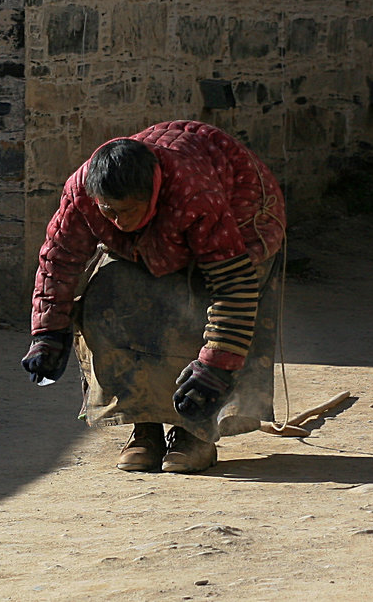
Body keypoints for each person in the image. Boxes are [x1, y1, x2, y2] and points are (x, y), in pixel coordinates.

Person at [21, 120, 286, 473]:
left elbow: (232, 287)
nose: (117, 222)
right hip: (154, 237)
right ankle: (144, 427)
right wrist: (48, 334)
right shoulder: (81, 194)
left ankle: (194, 433)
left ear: (153, 194)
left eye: (128, 211)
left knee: (192, 313)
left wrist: (215, 368)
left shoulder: (194, 194)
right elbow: (59, 261)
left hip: (240, 220)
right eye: (108, 211)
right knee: (106, 302)